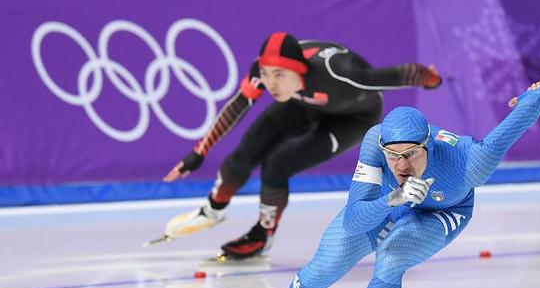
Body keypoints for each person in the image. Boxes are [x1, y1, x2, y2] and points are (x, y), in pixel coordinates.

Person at [213, 80, 540, 288]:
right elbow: (354, 221)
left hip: (442, 210)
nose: (402, 166)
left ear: (428, 145)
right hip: (390, 202)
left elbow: (518, 121)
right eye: (393, 156)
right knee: (323, 266)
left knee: (391, 258)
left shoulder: (469, 162)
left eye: (412, 155)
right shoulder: (374, 142)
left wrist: (533, 95)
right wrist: (393, 200)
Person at [162, 32, 442, 259]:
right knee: (243, 155)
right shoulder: (271, 76)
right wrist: (198, 153)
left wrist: (432, 79)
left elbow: (400, 75)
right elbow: (235, 108)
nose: (270, 83)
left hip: (351, 118)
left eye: (279, 75)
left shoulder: (339, 72)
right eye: (266, 74)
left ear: (299, 71)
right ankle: (214, 208)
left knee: (277, 166)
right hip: (302, 102)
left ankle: (263, 235)